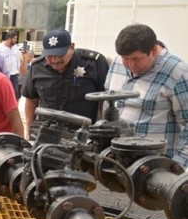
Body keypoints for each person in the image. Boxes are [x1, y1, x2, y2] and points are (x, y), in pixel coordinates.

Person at [105, 23, 188, 168]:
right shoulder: (118, 62)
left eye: (136, 59)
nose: (130, 65)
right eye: (125, 58)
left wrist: (177, 166)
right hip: (120, 160)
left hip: (155, 165)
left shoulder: (177, 71)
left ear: (154, 50)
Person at [22, 29, 109, 138]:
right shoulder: (37, 67)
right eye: (50, 55)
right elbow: (31, 99)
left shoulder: (94, 63)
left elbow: (105, 100)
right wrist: (29, 131)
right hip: (46, 134)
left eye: (60, 55)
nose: (55, 60)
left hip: (83, 136)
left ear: (72, 48)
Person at [0, 30, 21, 99]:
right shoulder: (0, 47)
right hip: (5, 74)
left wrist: (18, 72)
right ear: (10, 38)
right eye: (15, 38)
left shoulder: (15, 47)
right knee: (5, 93)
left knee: (15, 93)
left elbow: (17, 60)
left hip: (15, 74)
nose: (16, 40)